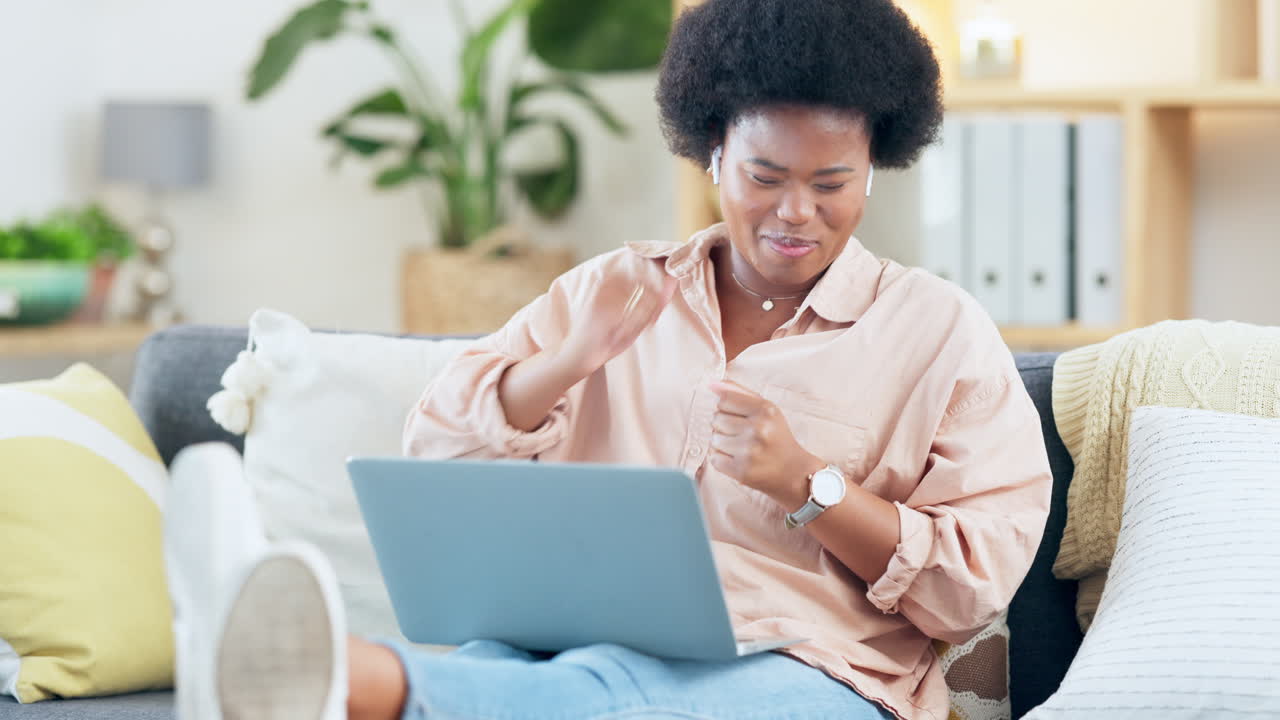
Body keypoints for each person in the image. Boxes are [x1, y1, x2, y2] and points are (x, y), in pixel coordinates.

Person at [167, 1, 1052, 718]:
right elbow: (436, 457)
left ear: (874, 170)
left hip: (812, 675)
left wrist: (808, 485)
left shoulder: (939, 332)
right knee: (519, 672)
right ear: (712, 153)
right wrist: (566, 360)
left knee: (595, 699)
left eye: (832, 184)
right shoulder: (612, 290)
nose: (796, 213)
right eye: (764, 176)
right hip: (567, 646)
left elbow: (968, 591)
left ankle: (337, 676)